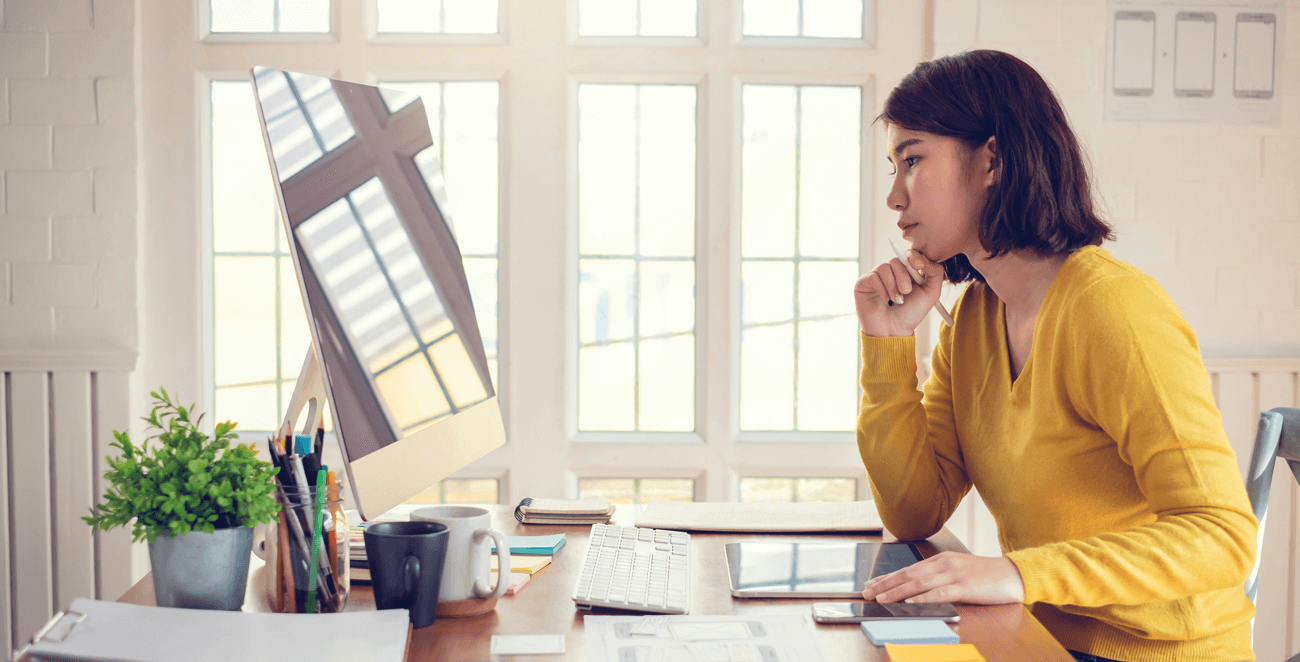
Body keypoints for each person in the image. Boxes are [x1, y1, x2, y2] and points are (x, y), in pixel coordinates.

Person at [853, 50, 1258, 662]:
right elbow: (914, 510)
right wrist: (888, 346)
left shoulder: (1113, 310)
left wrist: (1019, 573)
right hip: (1044, 643)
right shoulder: (974, 321)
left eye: (912, 161)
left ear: (991, 159)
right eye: (894, 167)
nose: (893, 197)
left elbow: (1221, 536)